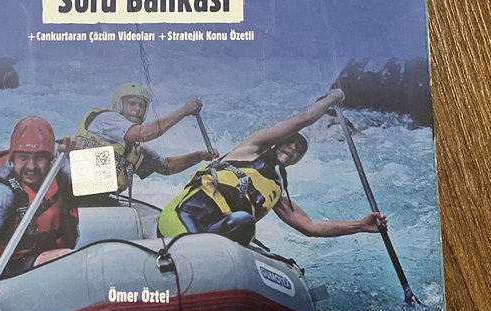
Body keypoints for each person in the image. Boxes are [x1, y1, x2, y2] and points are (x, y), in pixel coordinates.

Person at [157, 88, 387, 244]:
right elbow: (301, 120)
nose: (292, 148)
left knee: (243, 223)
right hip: (183, 216)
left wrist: (360, 225)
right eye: (290, 141)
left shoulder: (276, 191)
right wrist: (330, 99)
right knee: (241, 222)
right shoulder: (251, 148)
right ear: (278, 141)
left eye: (299, 148)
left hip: (213, 235)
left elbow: (310, 226)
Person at [0, 116, 79, 311]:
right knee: (66, 259)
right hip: (6, 267)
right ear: (12, 158)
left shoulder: (61, 169)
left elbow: (108, 180)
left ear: (50, 159)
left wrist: (82, 150)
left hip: (39, 257)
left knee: (70, 259)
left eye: (39, 158)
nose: (31, 166)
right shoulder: (3, 192)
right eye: (24, 158)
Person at [75, 82, 218, 198]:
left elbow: (166, 167)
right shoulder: (105, 119)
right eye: (132, 103)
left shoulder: (135, 148)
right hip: (73, 192)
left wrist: (199, 156)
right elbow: (142, 133)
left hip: (102, 198)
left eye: (142, 105)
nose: (137, 109)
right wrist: (183, 111)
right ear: (118, 104)